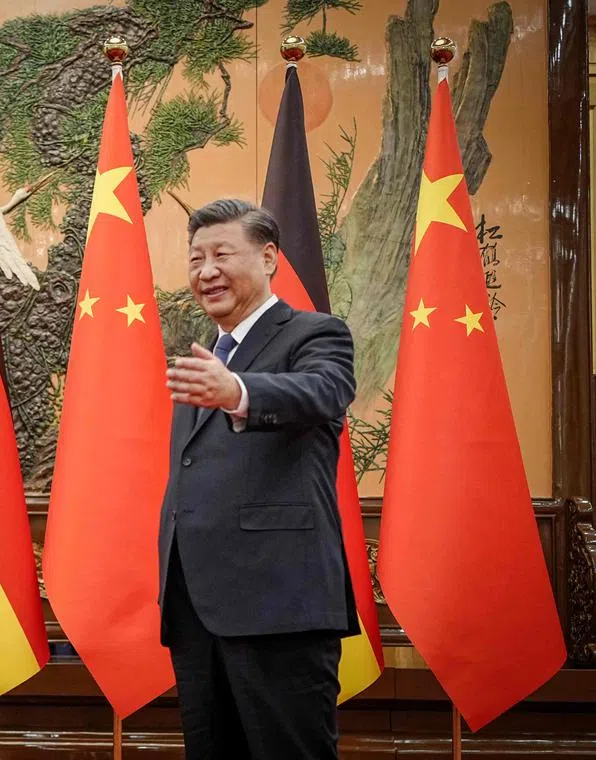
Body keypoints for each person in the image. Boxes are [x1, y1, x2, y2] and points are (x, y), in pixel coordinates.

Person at [160, 199, 359, 759]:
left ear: (269, 257)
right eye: (196, 258)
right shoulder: (205, 357)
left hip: (279, 609)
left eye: (223, 254)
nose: (206, 271)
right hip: (198, 613)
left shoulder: (315, 334)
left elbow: (325, 393)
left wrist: (241, 393)